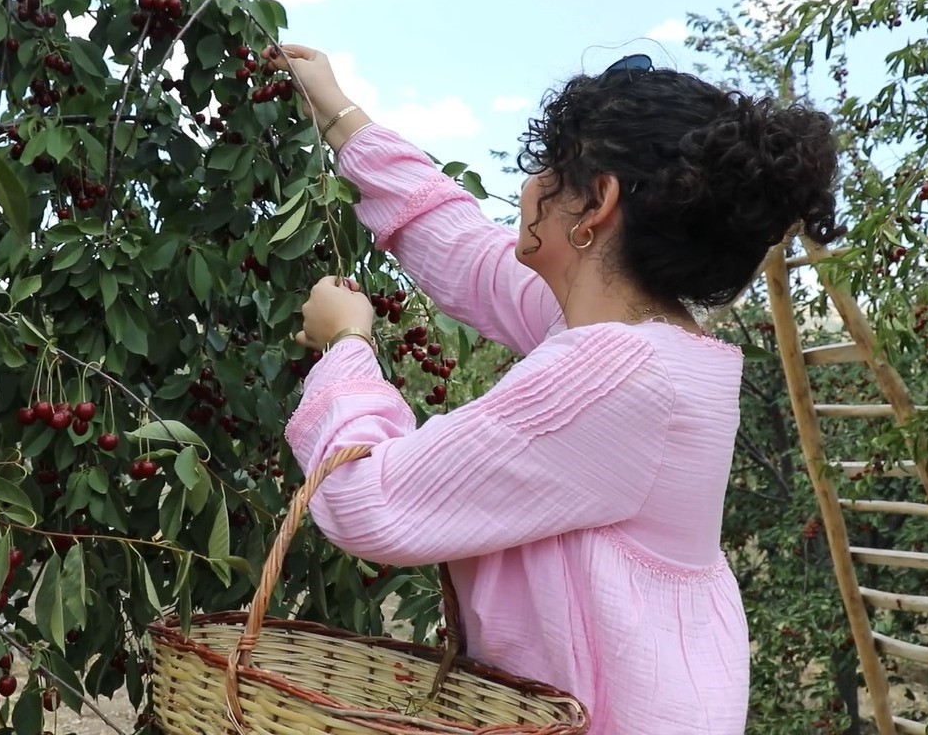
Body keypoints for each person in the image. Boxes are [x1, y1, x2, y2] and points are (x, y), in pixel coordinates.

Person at [265, 44, 842, 734]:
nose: (531, 184)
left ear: (597, 202)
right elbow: (463, 250)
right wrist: (336, 112)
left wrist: (347, 344)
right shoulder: (646, 340)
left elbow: (367, 499)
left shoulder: (615, 373)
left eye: (549, 167)